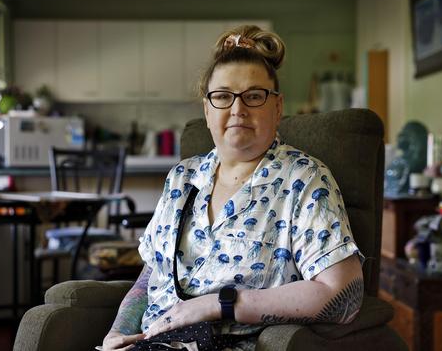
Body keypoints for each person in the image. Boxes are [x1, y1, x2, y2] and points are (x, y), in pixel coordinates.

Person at [102, 25, 364, 351]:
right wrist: (117, 332)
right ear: (207, 110)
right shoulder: (181, 179)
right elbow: (151, 275)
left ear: (278, 107)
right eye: (223, 96)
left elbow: (344, 296)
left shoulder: (305, 179)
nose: (238, 109)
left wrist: (220, 304)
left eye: (254, 96)